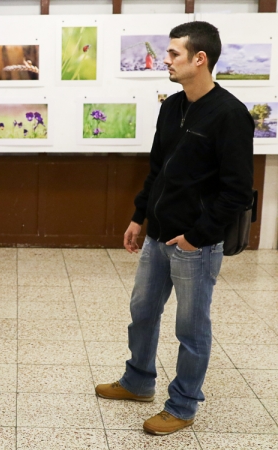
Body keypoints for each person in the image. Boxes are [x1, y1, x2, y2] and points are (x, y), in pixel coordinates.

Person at [95, 22, 254, 436]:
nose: (165, 60)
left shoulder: (231, 115)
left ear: (199, 59)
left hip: (194, 245)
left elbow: (237, 192)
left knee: (191, 328)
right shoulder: (171, 106)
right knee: (142, 312)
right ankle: (137, 381)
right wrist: (138, 216)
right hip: (157, 235)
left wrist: (197, 236)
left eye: (173, 54)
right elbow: (158, 170)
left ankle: (182, 405)